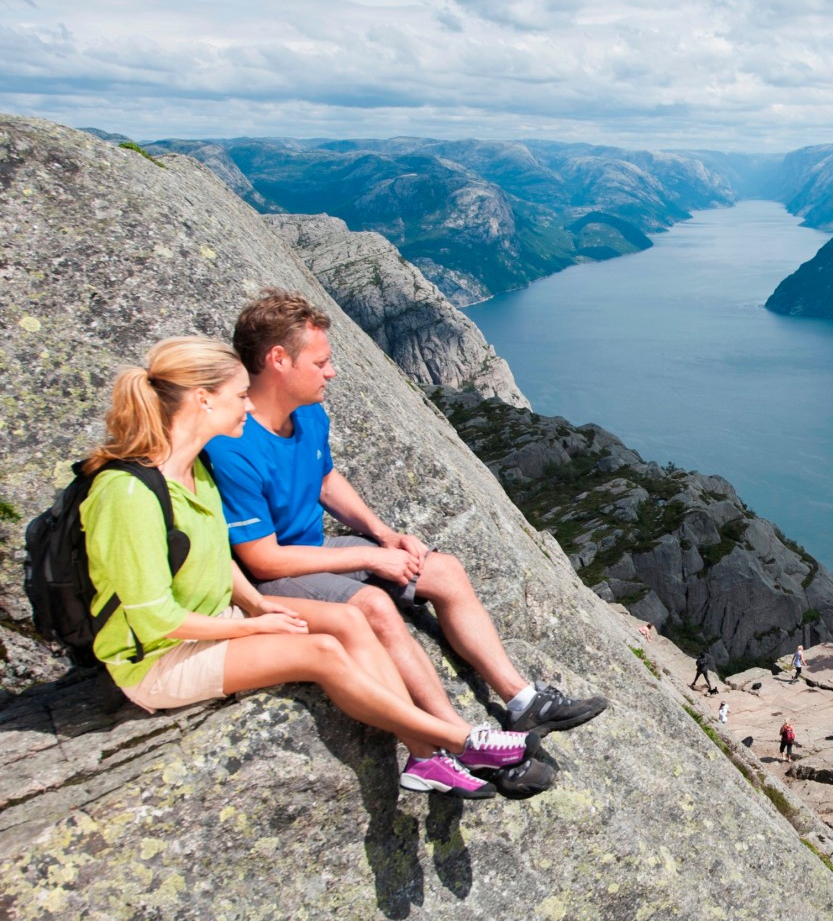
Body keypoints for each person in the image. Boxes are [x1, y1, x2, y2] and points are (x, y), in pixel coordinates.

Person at [79, 336, 546, 799]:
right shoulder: (128, 494)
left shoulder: (191, 472)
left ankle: (425, 759)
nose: (248, 406)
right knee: (320, 652)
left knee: (350, 617)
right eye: (240, 396)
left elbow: (215, 558)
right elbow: (151, 617)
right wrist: (251, 628)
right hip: (159, 659)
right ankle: (458, 741)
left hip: (214, 621)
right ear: (203, 400)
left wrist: (258, 604)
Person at [207, 291, 607, 736]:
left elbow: (325, 480)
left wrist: (384, 535)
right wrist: (371, 558)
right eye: (320, 363)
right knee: (376, 607)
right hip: (271, 578)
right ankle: (458, 737)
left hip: (315, 550)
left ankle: (521, 701)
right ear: (278, 359)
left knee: (446, 572)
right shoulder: (232, 446)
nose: (331, 372)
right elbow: (264, 560)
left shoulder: (307, 413)